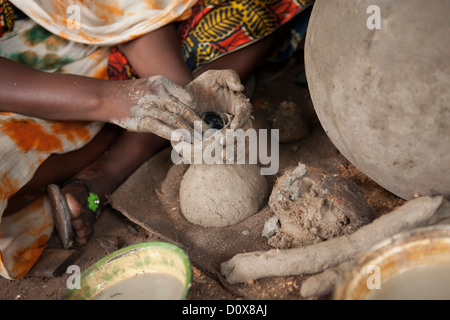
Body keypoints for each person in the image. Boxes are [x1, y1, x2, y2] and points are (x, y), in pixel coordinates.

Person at [0, 0, 314, 280]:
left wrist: (185, 96)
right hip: (30, 85)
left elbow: (128, 10)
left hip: (128, 32)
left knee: (253, 13)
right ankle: (121, 143)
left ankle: (106, 173)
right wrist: (110, 100)